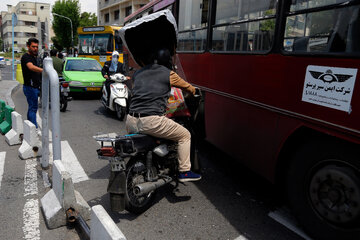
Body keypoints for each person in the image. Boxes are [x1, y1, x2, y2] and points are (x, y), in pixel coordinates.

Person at [125, 48, 201, 182]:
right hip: (151, 121)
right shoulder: (169, 74)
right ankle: (185, 171)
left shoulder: (137, 74)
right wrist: (195, 91)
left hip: (130, 120)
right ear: (168, 61)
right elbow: (188, 88)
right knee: (185, 135)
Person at [21, 38, 43, 128]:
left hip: (35, 87)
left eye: (37, 47)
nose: (35, 49)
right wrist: (44, 70)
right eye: (33, 47)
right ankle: (34, 129)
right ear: (28, 46)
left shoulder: (34, 57)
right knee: (33, 108)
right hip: (30, 87)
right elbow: (30, 67)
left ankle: (29, 127)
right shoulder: (26, 57)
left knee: (32, 108)